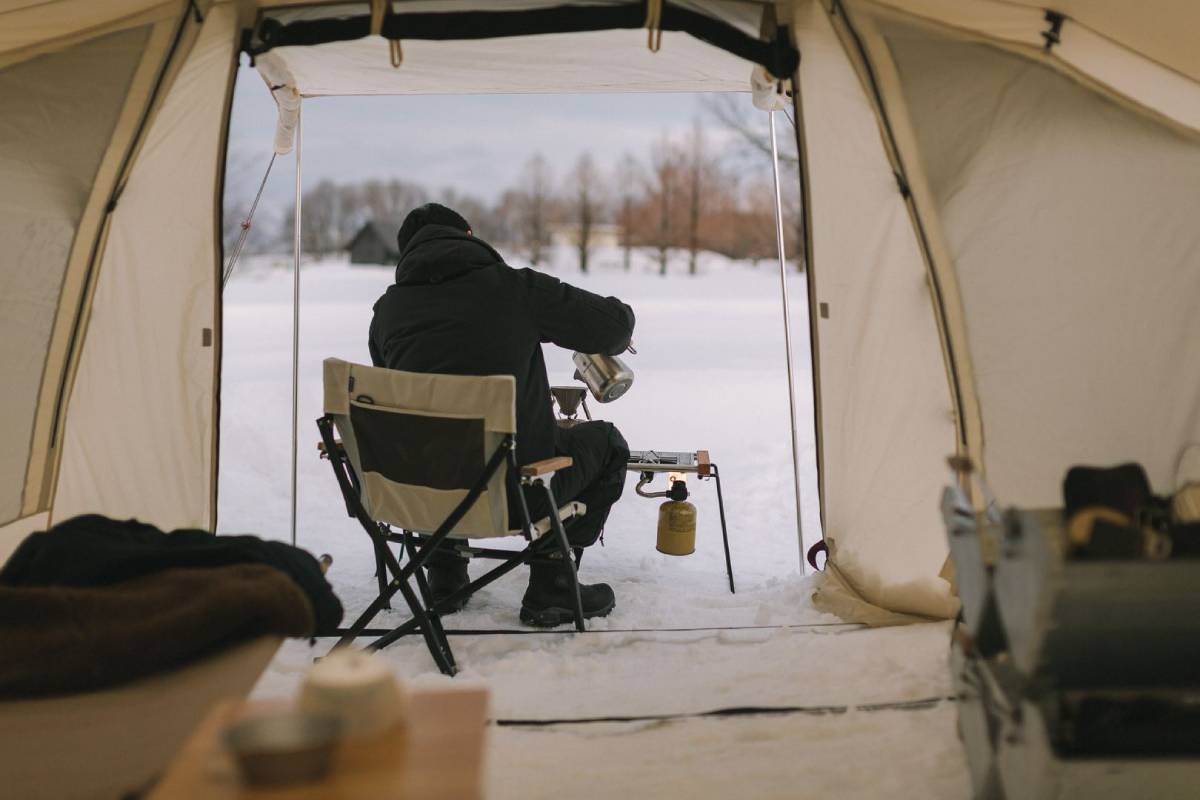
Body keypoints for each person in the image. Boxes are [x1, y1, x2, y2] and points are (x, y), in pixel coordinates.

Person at [369, 203, 634, 626]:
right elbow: (614, 329)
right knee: (606, 443)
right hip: (517, 494)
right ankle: (553, 582)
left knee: (433, 441)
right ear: (470, 235)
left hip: (419, 495)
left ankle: (445, 576)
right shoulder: (512, 289)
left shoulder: (386, 314)